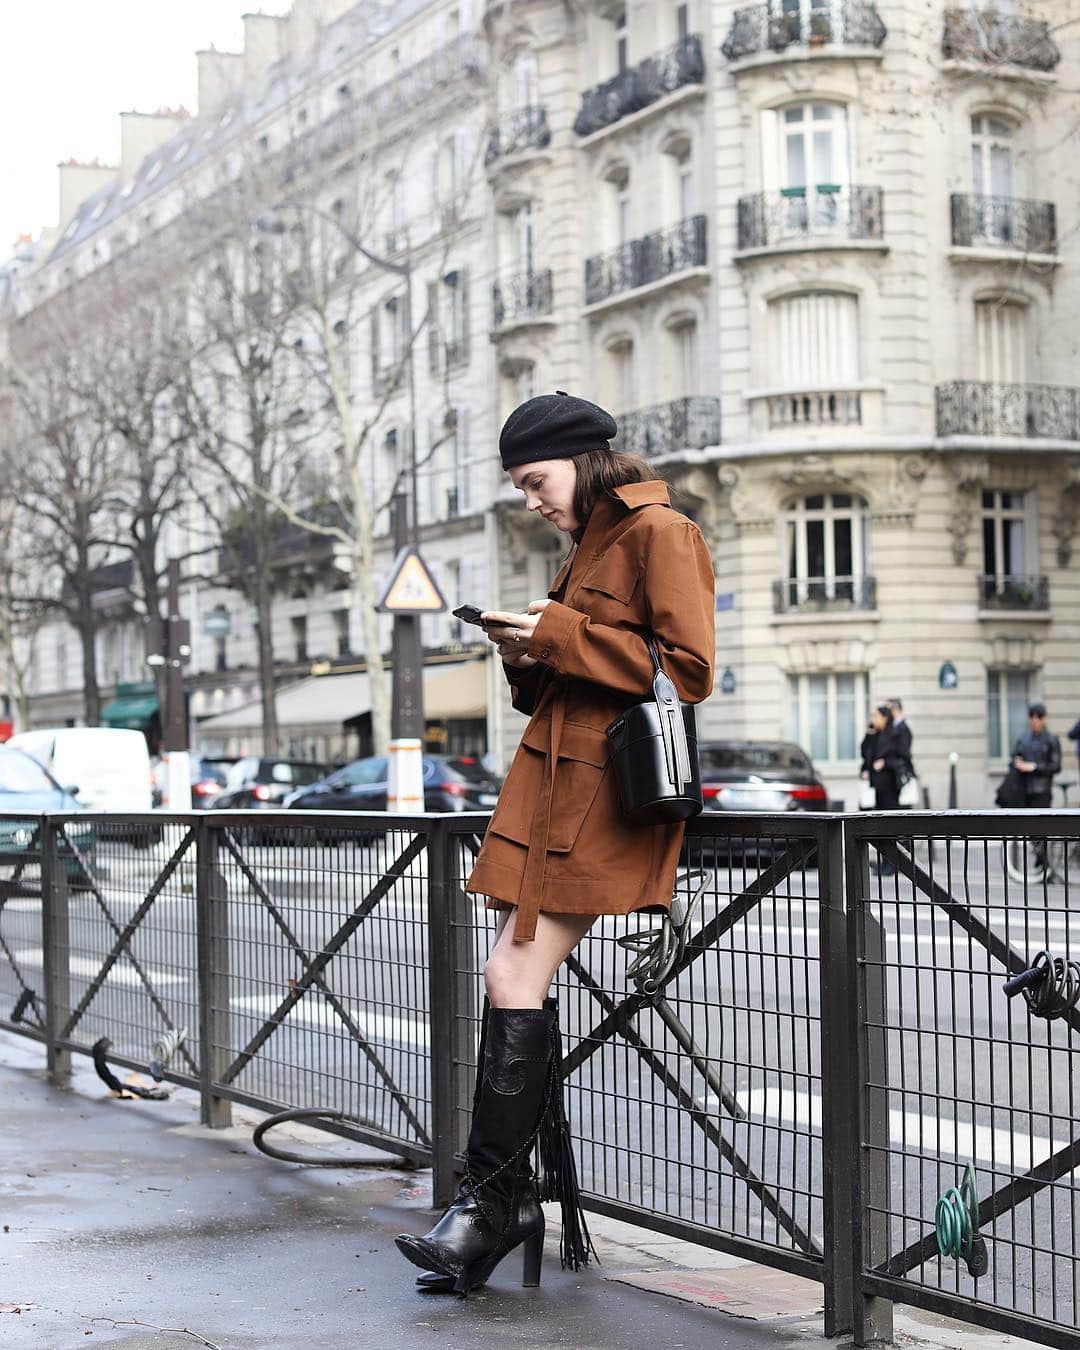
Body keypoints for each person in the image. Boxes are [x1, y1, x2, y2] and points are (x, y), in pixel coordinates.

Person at [395, 391, 716, 1295]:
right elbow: (563, 688)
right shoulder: (589, 548)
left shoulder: (661, 533)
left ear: (582, 458)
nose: (531, 500)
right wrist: (524, 649)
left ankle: (494, 1205)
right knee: (507, 977)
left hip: (603, 801)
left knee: (509, 975)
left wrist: (562, 632)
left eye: (536, 480)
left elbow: (686, 672)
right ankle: (498, 1204)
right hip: (552, 794)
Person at [1012, 702, 1061, 808]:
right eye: (1031, 716)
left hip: (1042, 791)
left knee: (1040, 823)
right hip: (1022, 790)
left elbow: (1056, 766)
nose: (1035, 720)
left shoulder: (1051, 739)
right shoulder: (1023, 738)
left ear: (1044, 718)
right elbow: (1015, 757)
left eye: (1038, 716)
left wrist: (1034, 767)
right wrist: (1017, 762)